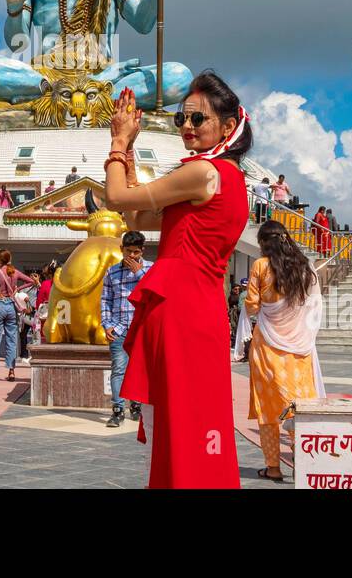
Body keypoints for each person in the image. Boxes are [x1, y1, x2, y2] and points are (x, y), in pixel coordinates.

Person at [104, 70, 252, 489]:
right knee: (190, 421)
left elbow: (116, 198)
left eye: (197, 120)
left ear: (228, 126)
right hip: (196, 308)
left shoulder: (205, 173)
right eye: (181, 119)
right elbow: (136, 215)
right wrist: (129, 154)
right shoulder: (226, 180)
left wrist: (116, 143)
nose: (187, 127)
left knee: (182, 424)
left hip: (181, 308)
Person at [246, 221, 325, 482]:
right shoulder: (304, 267)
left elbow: (251, 306)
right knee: (298, 407)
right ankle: (304, 463)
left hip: (267, 345)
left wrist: (267, 310)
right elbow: (312, 304)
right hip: (300, 347)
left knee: (268, 409)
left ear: (264, 243)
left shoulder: (260, 266)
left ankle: (273, 467)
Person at [100, 230, 152, 427]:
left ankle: (137, 405)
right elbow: (105, 299)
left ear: (142, 251)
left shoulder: (150, 269)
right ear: (121, 249)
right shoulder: (111, 271)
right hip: (119, 328)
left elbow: (153, 293)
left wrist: (138, 272)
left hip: (142, 328)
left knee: (140, 369)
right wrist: (107, 324)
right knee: (118, 370)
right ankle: (118, 409)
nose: (131, 256)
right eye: (128, 251)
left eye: (136, 252)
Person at [0, 251, 34, 381]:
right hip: (11, 306)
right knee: (12, 339)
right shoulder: (14, 272)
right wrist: (18, 289)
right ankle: (11, 371)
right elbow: (32, 281)